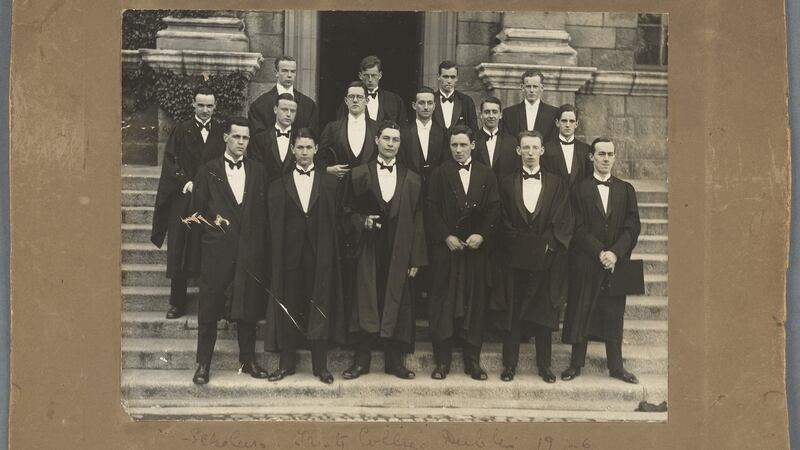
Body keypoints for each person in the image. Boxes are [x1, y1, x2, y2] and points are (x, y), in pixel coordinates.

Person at [341, 121, 427, 380]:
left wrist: (415, 257)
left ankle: (394, 360)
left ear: (400, 144)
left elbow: (419, 219)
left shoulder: (412, 179)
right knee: (366, 298)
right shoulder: (358, 174)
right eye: (386, 138)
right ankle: (362, 358)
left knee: (396, 299)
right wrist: (361, 222)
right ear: (376, 140)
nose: (391, 144)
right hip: (368, 247)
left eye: (396, 140)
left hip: (399, 247)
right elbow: (345, 212)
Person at [189, 117, 269, 385]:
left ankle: (248, 361)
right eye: (236, 137)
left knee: (247, 308)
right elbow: (196, 213)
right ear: (225, 138)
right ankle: (203, 364)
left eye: (246, 138)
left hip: (248, 252)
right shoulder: (207, 170)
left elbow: (261, 214)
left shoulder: (258, 171)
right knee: (209, 309)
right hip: (216, 253)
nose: (241, 143)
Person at [264, 128, 345, 385]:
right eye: (300, 148)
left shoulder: (330, 183)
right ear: (292, 150)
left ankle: (320, 366)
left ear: (316, 150)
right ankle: (286, 364)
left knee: (318, 307)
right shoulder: (278, 185)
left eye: (309, 148)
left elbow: (339, 221)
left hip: (319, 257)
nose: (304, 153)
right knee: (289, 308)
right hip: (290, 258)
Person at [492, 131, 573, 383]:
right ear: (518, 151)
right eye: (525, 148)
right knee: (514, 311)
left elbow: (562, 217)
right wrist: (518, 244)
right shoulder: (506, 182)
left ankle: (545, 365)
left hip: (546, 258)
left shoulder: (557, 183)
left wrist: (546, 245)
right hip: (515, 257)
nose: (529, 152)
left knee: (543, 313)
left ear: (542, 151)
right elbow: (502, 217)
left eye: (534, 147)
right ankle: (510, 365)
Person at [561, 138, 642, 384]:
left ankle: (616, 367)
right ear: (591, 157)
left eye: (610, 154)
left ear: (615, 157)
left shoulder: (626, 189)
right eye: (601, 154)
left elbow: (632, 226)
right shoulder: (579, 189)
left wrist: (615, 253)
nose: (606, 158)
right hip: (587, 260)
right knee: (581, 310)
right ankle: (575, 364)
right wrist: (599, 252)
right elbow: (577, 227)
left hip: (617, 262)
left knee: (614, 313)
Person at [424, 125, 501, 380]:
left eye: (463, 145)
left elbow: (494, 209)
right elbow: (431, 208)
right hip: (447, 251)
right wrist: (446, 236)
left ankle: (473, 362)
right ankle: (442, 362)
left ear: (473, 146)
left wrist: (482, 235)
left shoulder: (486, 174)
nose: (458, 150)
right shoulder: (439, 173)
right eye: (454, 145)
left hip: (475, 252)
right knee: (443, 305)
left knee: (474, 305)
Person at [150, 87, 226, 320]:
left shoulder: (221, 131)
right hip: (185, 196)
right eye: (201, 105)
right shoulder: (181, 130)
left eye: (209, 106)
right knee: (181, 246)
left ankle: (215, 304)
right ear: (193, 104)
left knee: (213, 248)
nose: (205, 110)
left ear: (215, 106)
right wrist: (187, 182)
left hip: (212, 197)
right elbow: (171, 161)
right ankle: (177, 303)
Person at [317, 81, 378, 180]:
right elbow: (318, 157)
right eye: (351, 97)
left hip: (369, 188)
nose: (355, 100)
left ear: (367, 101)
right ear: (346, 101)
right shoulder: (332, 128)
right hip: (340, 188)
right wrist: (328, 169)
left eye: (359, 97)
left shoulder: (377, 128)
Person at [248, 55, 319, 137]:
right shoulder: (259, 105)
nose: (289, 75)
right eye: (285, 71)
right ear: (276, 73)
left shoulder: (308, 105)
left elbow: (312, 137)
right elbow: (256, 139)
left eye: (293, 71)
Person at [398, 86, 449, 187]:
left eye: (429, 103)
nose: (426, 107)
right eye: (421, 103)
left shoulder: (444, 133)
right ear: (414, 105)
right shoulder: (404, 133)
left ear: (434, 105)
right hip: (410, 187)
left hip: (436, 189)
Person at [336, 55, 407, 125]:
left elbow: (403, 127)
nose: (370, 80)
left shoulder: (394, 100)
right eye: (366, 75)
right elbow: (341, 125)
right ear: (360, 76)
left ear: (380, 75)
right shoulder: (351, 99)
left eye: (373, 75)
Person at [247, 93, 298, 183]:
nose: (289, 114)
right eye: (284, 110)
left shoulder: (300, 139)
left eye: (292, 111)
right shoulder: (260, 139)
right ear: (275, 110)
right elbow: (256, 172)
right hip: (267, 193)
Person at [541, 104, 592, 187]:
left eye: (571, 121)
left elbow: (589, 178)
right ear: (557, 123)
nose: (568, 125)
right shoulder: (547, 149)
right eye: (564, 121)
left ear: (577, 124)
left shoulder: (585, 149)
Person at [501, 70, 559, 143]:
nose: (532, 90)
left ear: (542, 88)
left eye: (535, 86)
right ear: (522, 87)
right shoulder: (509, 113)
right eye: (528, 86)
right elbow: (507, 141)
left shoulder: (553, 113)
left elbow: (553, 141)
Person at [473, 97, 519, 181]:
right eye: (487, 112)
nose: (491, 116)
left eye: (494, 112)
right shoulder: (472, 140)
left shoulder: (512, 142)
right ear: (481, 115)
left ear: (500, 115)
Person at [433, 60, 478, 133]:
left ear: (457, 78)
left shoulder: (466, 101)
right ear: (438, 77)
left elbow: (474, 130)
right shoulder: (431, 100)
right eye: (445, 76)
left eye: (452, 77)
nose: (449, 81)